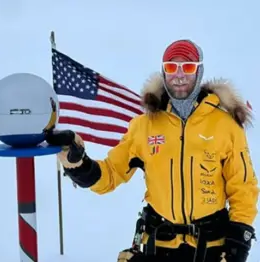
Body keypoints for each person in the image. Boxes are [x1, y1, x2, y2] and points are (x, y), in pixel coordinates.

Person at [45, 39, 258, 262]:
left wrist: (238, 242)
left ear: (199, 71)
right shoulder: (143, 126)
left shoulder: (225, 125)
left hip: (211, 247)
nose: (179, 75)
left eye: (187, 67)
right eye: (171, 67)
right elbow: (109, 175)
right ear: (163, 72)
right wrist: (78, 163)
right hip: (158, 246)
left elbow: (243, 188)